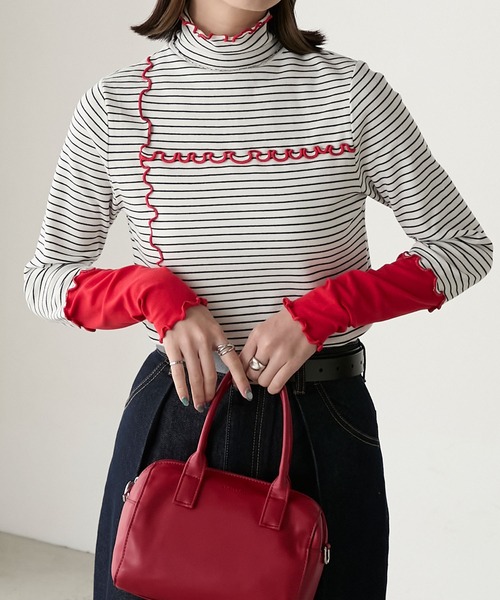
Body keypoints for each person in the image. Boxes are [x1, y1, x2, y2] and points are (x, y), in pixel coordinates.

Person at [24, 0, 492, 598]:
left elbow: (462, 248)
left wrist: (325, 310)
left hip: (321, 421)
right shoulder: (115, 105)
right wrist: (150, 292)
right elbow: (46, 278)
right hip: (175, 416)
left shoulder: (351, 93)